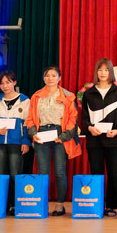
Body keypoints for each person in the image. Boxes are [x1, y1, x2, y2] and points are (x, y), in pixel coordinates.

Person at [26, 66, 79, 216]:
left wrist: (63, 137)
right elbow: (30, 119)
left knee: (60, 171)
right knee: (43, 172)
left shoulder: (68, 96)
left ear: (59, 78)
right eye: (47, 76)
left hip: (59, 135)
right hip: (41, 134)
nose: (50, 78)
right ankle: (41, 204)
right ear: (43, 78)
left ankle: (59, 205)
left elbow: (72, 120)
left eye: (53, 76)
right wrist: (33, 133)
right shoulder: (36, 96)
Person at [80, 59, 117, 217]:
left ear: (110, 72)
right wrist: (89, 128)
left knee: (113, 173)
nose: (103, 73)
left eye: (106, 70)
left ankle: (112, 206)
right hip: (94, 141)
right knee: (96, 173)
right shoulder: (88, 93)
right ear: (96, 72)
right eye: (100, 70)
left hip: (113, 141)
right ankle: (97, 203)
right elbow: (84, 118)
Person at [0, 70, 31, 215]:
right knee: (1, 174)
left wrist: (26, 142)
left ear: (14, 82)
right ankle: (2, 204)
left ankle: (15, 204)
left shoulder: (25, 100)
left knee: (15, 174)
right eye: (2, 83)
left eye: (8, 82)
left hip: (16, 143)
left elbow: (27, 124)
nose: (5, 86)